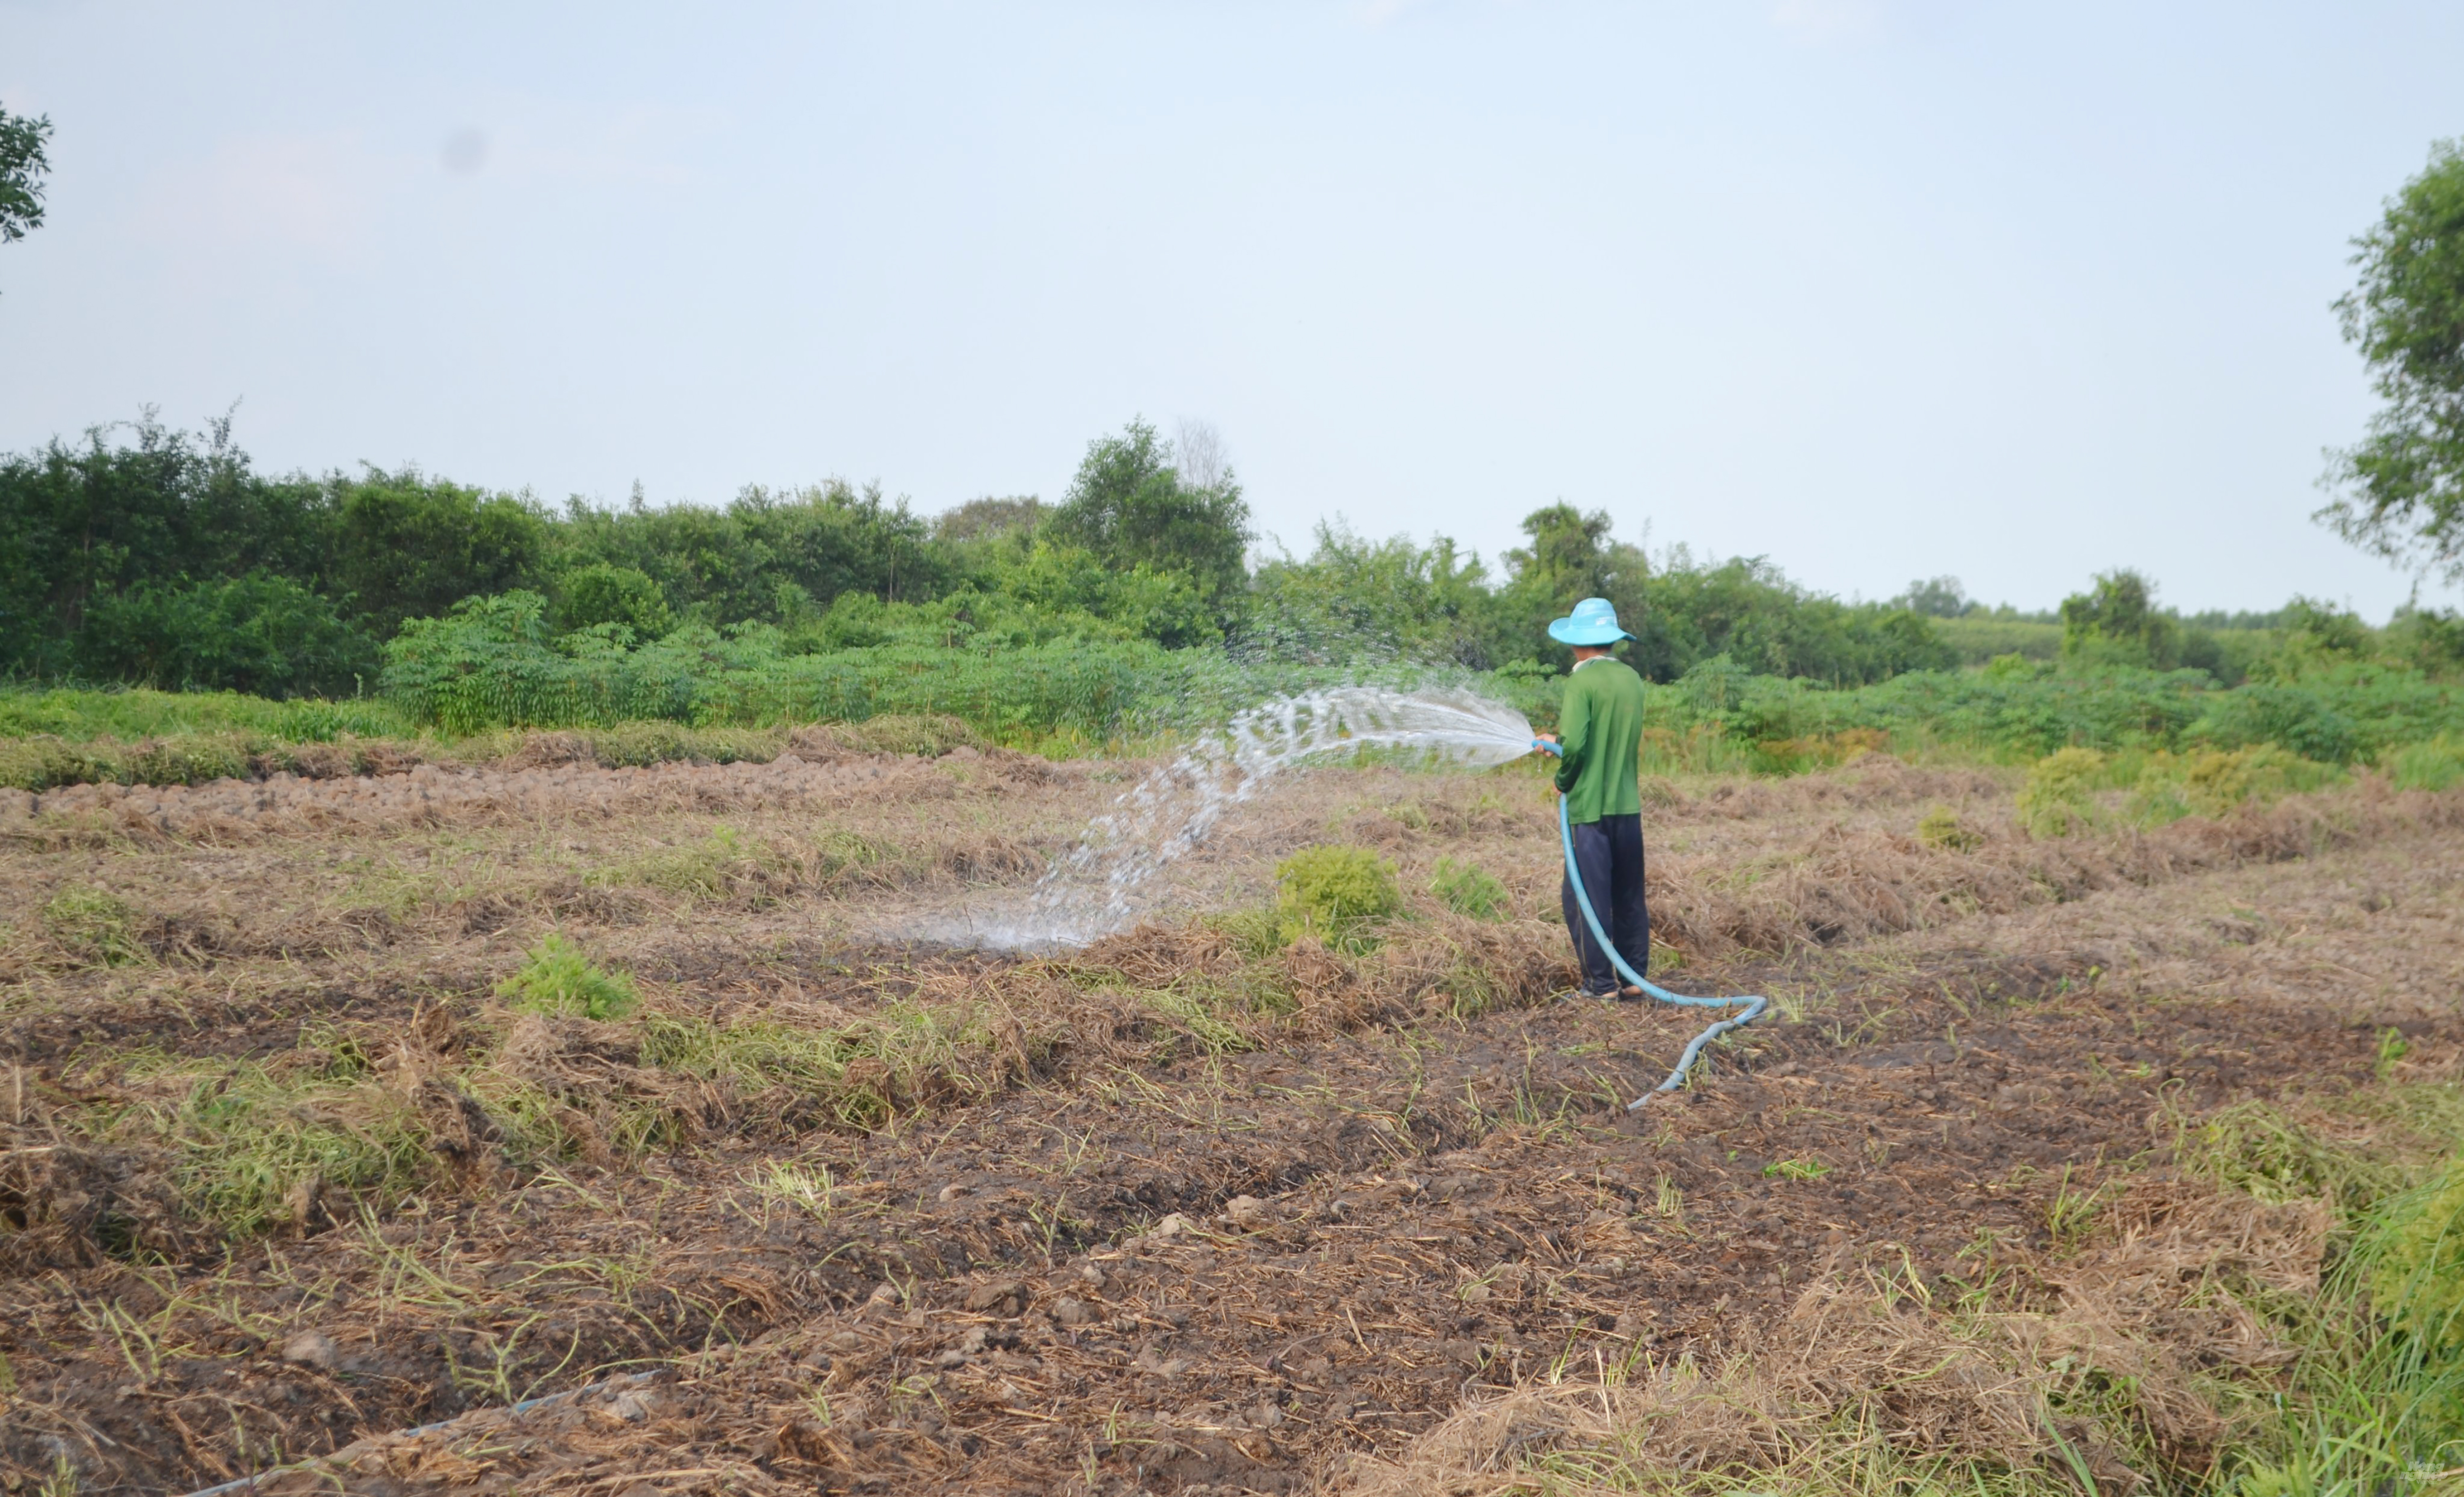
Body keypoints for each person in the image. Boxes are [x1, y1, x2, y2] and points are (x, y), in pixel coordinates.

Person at [1533, 597, 1650, 1000]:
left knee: (1582, 896)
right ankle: (1634, 979)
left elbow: (1578, 747)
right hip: (1627, 807)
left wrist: (1562, 777)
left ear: (1578, 642)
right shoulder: (1632, 679)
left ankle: (1599, 985)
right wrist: (1561, 744)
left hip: (1589, 808)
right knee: (1628, 894)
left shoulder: (1581, 681)